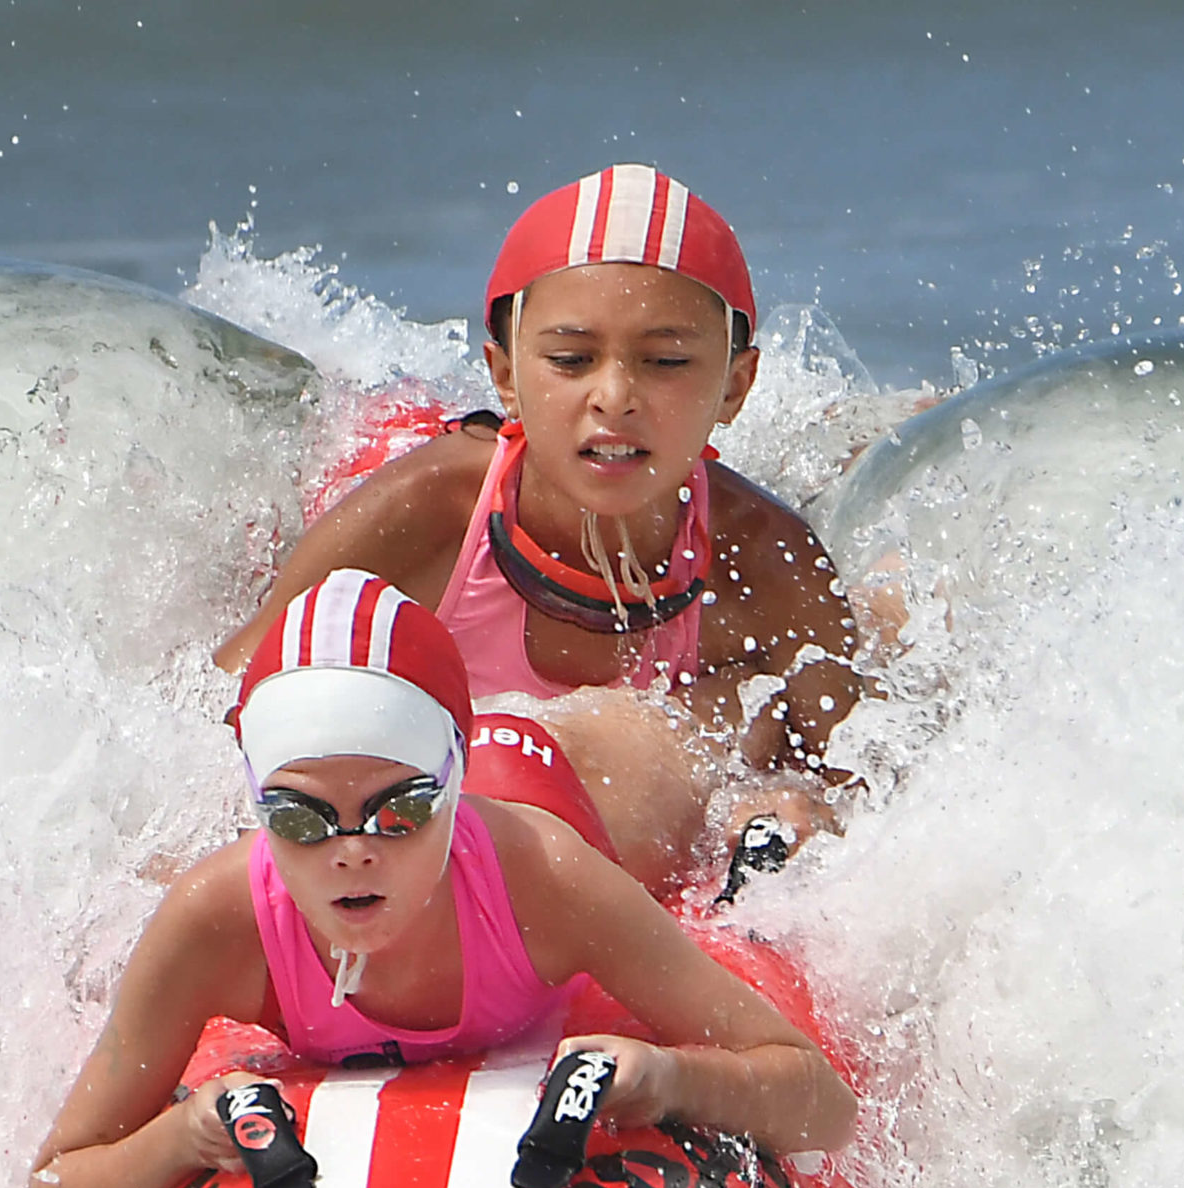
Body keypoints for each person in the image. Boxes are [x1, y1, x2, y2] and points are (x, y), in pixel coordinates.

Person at [25, 570, 857, 1188]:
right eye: (301, 819)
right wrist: (180, 1139)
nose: (352, 852)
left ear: (448, 795)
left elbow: (822, 1102)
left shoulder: (549, 882)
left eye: (399, 814)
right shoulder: (217, 921)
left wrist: (671, 1080)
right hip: (452, 748)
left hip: (583, 777)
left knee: (744, 763)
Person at [212, 164, 868, 898]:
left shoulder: (771, 567)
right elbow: (219, 715)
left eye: (666, 362)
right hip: (398, 471)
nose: (614, 397)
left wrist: (791, 813)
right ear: (504, 375)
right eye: (570, 360)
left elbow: (858, 779)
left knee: (750, 720)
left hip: (583, 805)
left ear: (735, 388)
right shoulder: (430, 513)